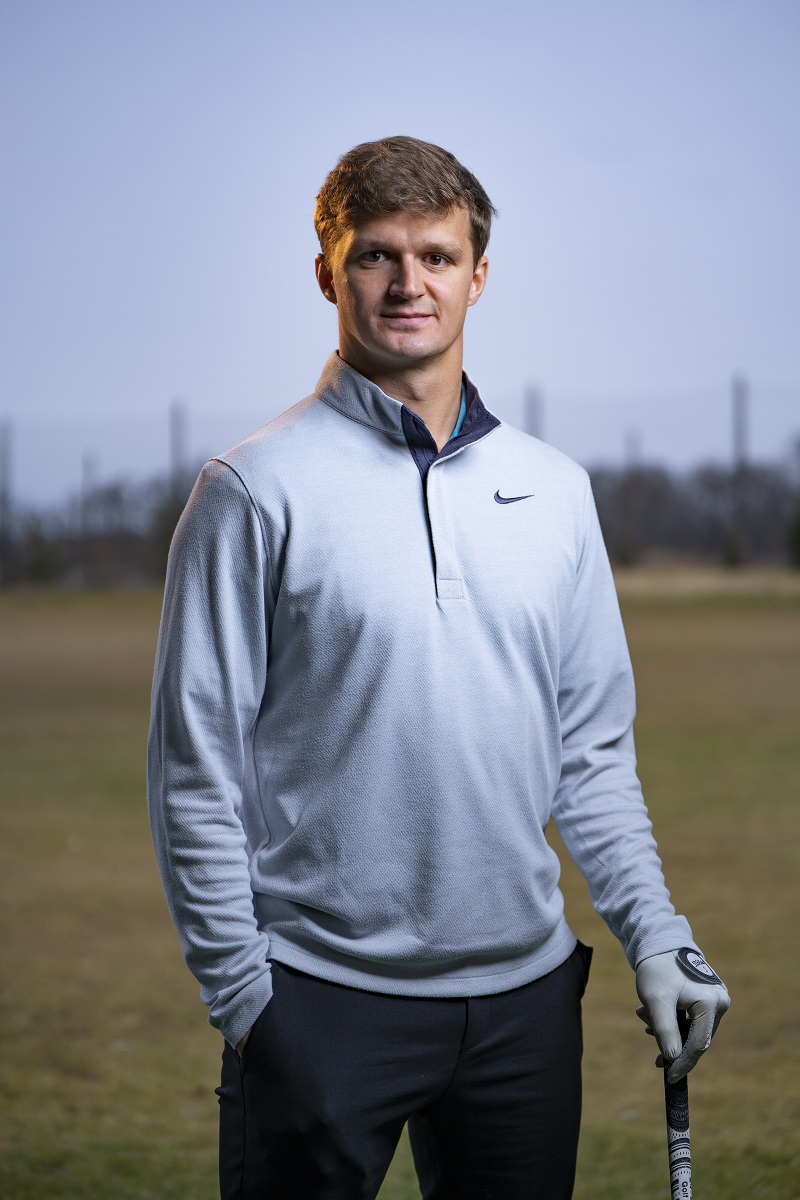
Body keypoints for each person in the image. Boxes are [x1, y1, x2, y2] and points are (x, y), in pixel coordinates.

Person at [147, 136, 730, 1200]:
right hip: (318, 1004)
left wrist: (658, 935)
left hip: (525, 1010)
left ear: (478, 275)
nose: (407, 283)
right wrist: (247, 1002)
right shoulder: (250, 487)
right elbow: (195, 772)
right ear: (327, 273)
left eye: (436, 256)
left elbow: (591, 756)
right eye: (375, 255)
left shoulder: (554, 490)